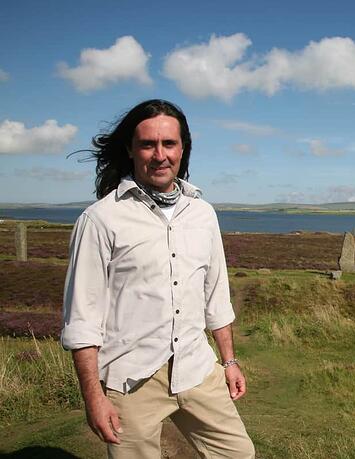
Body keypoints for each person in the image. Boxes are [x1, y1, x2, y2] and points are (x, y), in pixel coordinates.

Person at [61, 99, 255, 458]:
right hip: (130, 381)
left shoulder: (202, 214)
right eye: (148, 144)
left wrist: (229, 362)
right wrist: (94, 398)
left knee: (238, 453)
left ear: (183, 149)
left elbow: (216, 296)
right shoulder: (101, 219)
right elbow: (81, 319)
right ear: (131, 150)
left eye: (169, 144)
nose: (159, 155)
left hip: (197, 368)